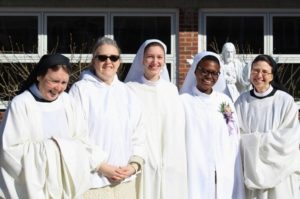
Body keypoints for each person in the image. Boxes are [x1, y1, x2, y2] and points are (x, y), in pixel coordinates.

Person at [0, 54, 105, 199]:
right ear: (39, 76)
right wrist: (52, 149)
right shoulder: (21, 104)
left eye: (64, 82)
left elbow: (81, 138)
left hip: (65, 184)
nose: (59, 88)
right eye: (54, 81)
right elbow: (9, 151)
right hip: (35, 188)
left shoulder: (68, 102)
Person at [69, 37, 145, 199]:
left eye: (113, 57)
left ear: (119, 61)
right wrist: (101, 166)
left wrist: (133, 165)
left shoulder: (128, 93)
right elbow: (75, 135)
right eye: (102, 57)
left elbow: (138, 134)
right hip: (93, 183)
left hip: (125, 183)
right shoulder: (81, 90)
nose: (108, 62)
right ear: (93, 60)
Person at [124, 39, 188, 199]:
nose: (155, 61)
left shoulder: (171, 90)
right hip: (143, 161)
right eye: (150, 57)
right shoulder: (130, 89)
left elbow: (177, 128)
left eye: (159, 57)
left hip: (169, 162)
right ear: (142, 59)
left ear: (164, 60)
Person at [180, 51, 245, 199]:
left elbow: (232, 133)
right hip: (195, 166)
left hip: (223, 167)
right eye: (205, 71)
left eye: (215, 73)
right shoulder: (183, 102)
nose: (209, 77)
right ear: (195, 71)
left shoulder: (224, 102)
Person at [234, 54, 300, 199]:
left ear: (272, 76)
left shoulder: (285, 101)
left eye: (264, 72)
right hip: (251, 171)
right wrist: (253, 143)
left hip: (280, 173)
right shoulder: (241, 102)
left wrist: (254, 141)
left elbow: (290, 137)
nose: (259, 75)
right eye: (255, 71)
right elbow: (235, 135)